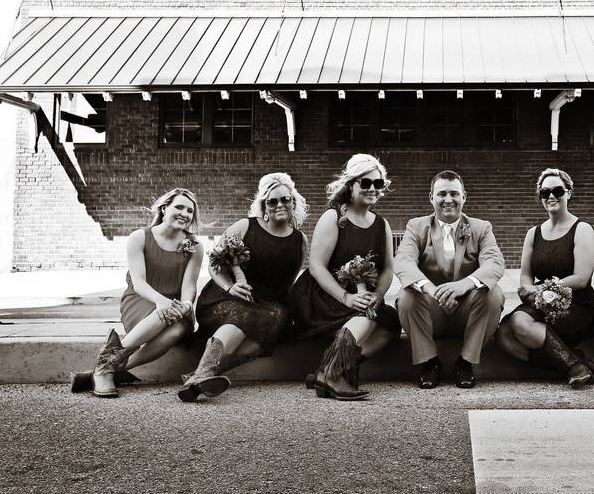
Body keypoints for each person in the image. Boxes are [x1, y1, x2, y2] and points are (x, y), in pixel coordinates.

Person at [179, 173, 308, 402]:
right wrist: (229, 287)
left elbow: (288, 283)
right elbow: (215, 263)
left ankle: (199, 377)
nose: (280, 205)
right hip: (225, 296)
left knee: (276, 319)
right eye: (272, 201)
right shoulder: (245, 226)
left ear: (293, 202)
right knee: (244, 314)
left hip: (267, 306)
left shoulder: (300, 240)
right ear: (263, 206)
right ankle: (202, 375)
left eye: (286, 199)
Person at [71, 188, 204, 398]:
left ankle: (109, 368)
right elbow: (139, 282)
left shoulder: (194, 245)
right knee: (163, 314)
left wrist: (187, 305)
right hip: (142, 300)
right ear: (164, 208)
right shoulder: (139, 237)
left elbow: (190, 284)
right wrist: (162, 302)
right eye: (179, 207)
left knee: (178, 330)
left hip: (176, 305)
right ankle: (107, 368)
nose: (185, 214)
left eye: (189, 210)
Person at [289, 154, 401, 400]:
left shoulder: (381, 224)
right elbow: (317, 266)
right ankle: (334, 376)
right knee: (365, 314)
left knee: (391, 320)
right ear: (350, 185)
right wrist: (346, 297)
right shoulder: (333, 217)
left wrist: (378, 296)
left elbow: (388, 270)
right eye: (365, 183)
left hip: (361, 295)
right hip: (321, 296)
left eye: (378, 184)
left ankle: (331, 369)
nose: (373, 189)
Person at [395, 170, 506, 389]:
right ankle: (429, 363)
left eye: (454, 194)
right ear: (431, 197)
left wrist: (464, 284)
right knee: (406, 296)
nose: (448, 200)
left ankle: (465, 363)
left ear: (464, 197)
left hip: (467, 312)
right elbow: (403, 261)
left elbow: (494, 263)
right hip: (431, 311)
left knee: (494, 294)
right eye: (442, 194)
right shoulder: (416, 227)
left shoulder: (481, 228)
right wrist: (430, 289)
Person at [496, 168, 594, 388]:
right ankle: (576, 364)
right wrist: (527, 288)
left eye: (557, 190)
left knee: (518, 321)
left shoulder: (582, 229)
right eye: (545, 192)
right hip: (542, 302)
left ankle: (574, 367)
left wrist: (539, 288)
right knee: (503, 336)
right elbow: (525, 276)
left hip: (576, 304)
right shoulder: (533, 233)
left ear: (569, 193)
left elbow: (581, 278)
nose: (551, 196)